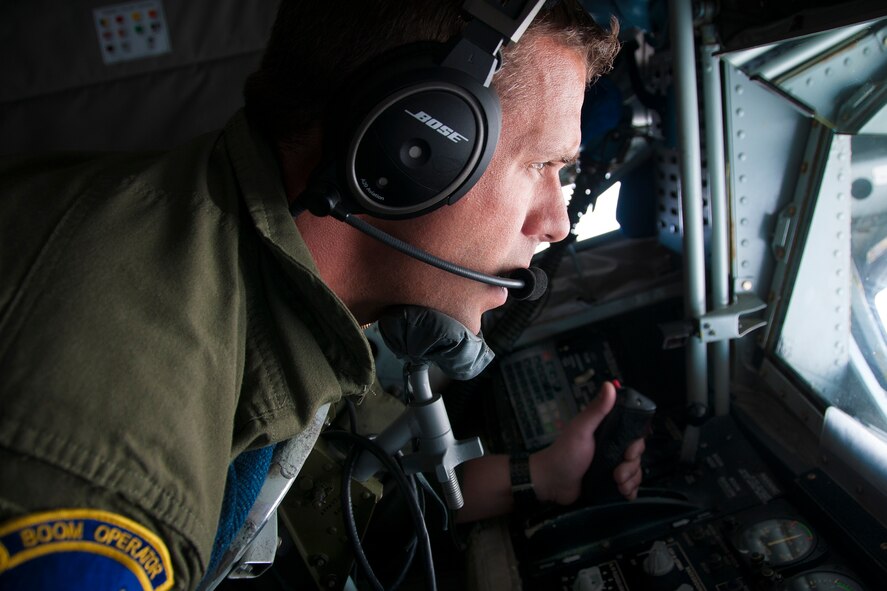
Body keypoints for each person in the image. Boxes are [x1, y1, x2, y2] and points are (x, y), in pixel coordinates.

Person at [0, 1, 644, 589]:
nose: (557, 222)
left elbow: (323, 489)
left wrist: (543, 476)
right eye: (542, 166)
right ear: (412, 144)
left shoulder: (253, 275)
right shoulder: (120, 465)